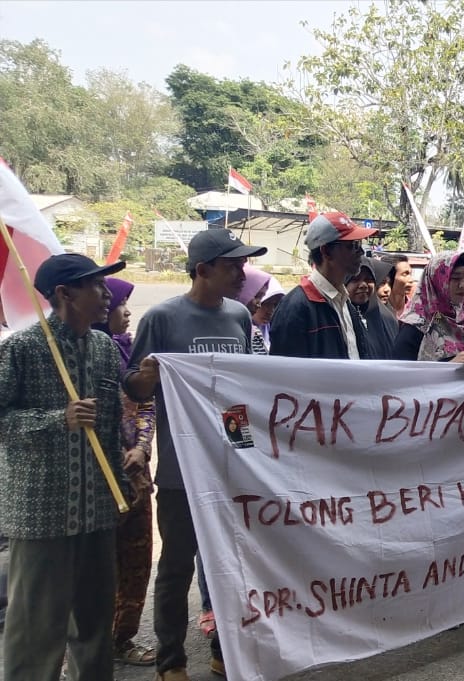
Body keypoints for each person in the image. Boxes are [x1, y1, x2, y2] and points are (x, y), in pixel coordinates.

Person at [126, 227, 265, 680]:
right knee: (176, 567)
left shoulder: (240, 317)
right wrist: (147, 376)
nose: (241, 273)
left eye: (243, 264)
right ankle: (172, 660)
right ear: (202, 270)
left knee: (228, 565)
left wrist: (243, 451)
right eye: (233, 265)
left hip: (227, 467)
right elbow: (134, 388)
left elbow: (237, 393)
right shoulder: (163, 318)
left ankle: (226, 648)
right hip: (180, 471)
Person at [0, 253, 128, 681]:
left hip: (97, 509)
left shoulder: (106, 348)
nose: (107, 295)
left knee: (94, 625)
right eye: (96, 286)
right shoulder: (22, 348)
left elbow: (110, 425)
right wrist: (59, 419)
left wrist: (124, 482)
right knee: (36, 630)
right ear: (64, 294)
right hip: (42, 515)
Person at [91, 277, 158, 667]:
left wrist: (141, 446)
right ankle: (87, 645)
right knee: (96, 566)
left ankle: (122, 638)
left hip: (135, 475)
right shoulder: (81, 357)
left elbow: (144, 405)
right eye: (121, 303)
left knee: (137, 559)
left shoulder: (129, 354)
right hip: (98, 479)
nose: (127, 311)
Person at [270, 212, 378, 359]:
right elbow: (286, 373)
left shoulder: (346, 303)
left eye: (359, 244)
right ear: (326, 251)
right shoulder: (295, 307)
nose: (360, 252)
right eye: (352, 245)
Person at [395, 252, 464, 364]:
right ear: (437, 280)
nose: (463, 285)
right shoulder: (417, 326)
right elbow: (400, 375)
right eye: (455, 278)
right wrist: (447, 367)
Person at [345, 258, 394, 360]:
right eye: (355, 279)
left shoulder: (386, 317)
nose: (363, 285)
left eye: (369, 279)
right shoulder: (339, 315)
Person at [249, 274, 284, 355]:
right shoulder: (243, 331)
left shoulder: (276, 330)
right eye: (266, 304)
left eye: (275, 305)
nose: (270, 311)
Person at [379, 253, 414, 320]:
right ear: (389, 277)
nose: (411, 280)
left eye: (410, 274)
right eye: (405, 274)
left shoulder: (415, 311)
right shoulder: (376, 311)